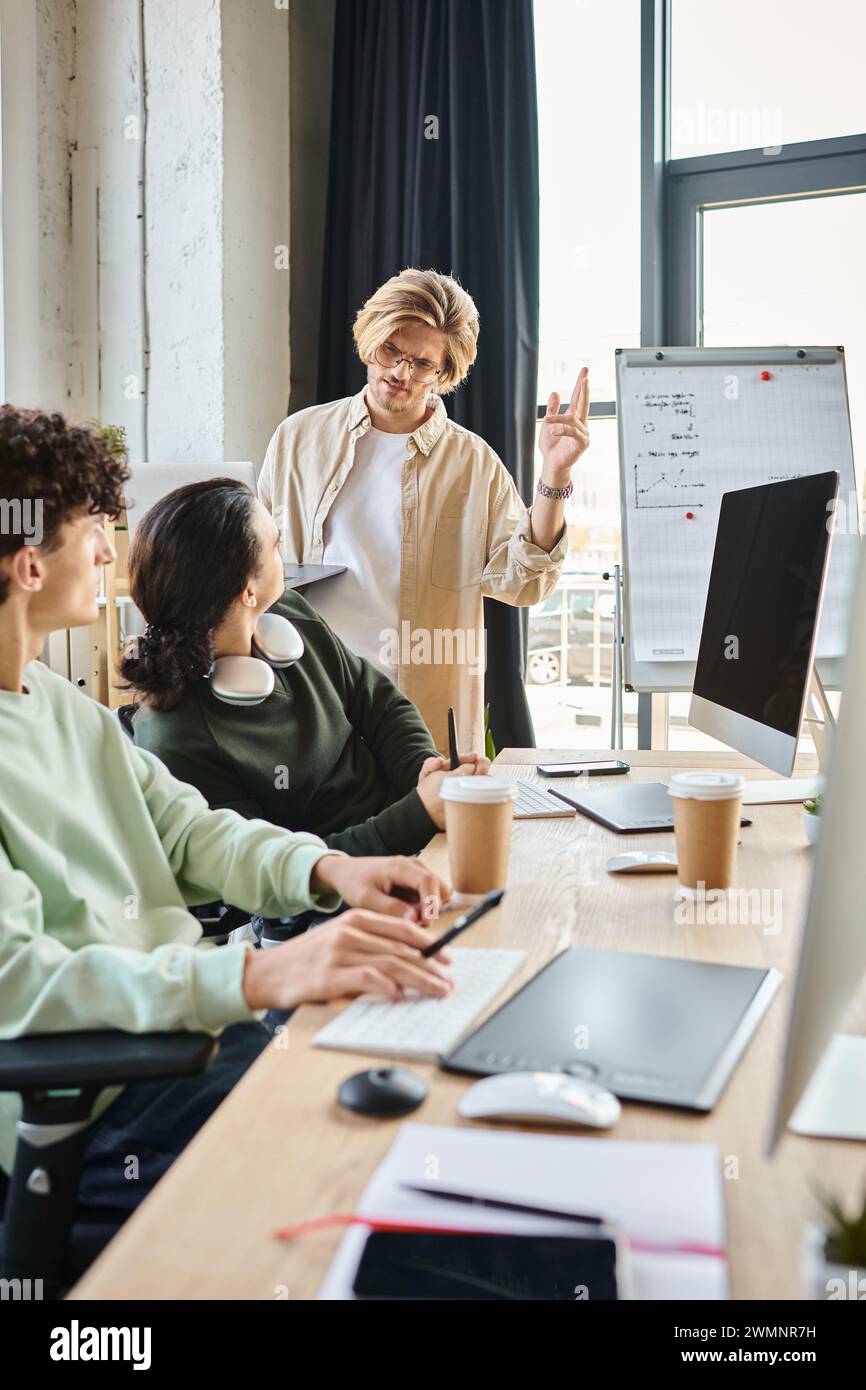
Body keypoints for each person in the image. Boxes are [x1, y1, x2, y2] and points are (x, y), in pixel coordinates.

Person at [0, 406, 450, 1209]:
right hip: (101, 1104)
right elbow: (21, 983)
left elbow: (189, 829)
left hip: (189, 1037)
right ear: (29, 564)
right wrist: (256, 973)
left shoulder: (64, 710)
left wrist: (330, 868)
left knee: (423, 1100)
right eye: (90, 530)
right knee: (384, 1181)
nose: (111, 553)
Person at [259, 266, 591, 752]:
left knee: (426, 831)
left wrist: (555, 475)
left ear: (444, 374)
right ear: (370, 339)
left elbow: (524, 582)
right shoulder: (298, 439)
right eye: (390, 350)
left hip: (421, 718)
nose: (400, 372)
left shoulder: (472, 462)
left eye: (421, 364)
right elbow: (255, 567)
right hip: (312, 704)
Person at [122, 477, 490, 858]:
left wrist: (423, 773)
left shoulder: (289, 615)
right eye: (275, 546)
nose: (285, 555)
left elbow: (380, 703)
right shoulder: (178, 739)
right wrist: (419, 813)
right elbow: (275, 875)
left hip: (416, 838)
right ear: (247, 589)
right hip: (345, 889)